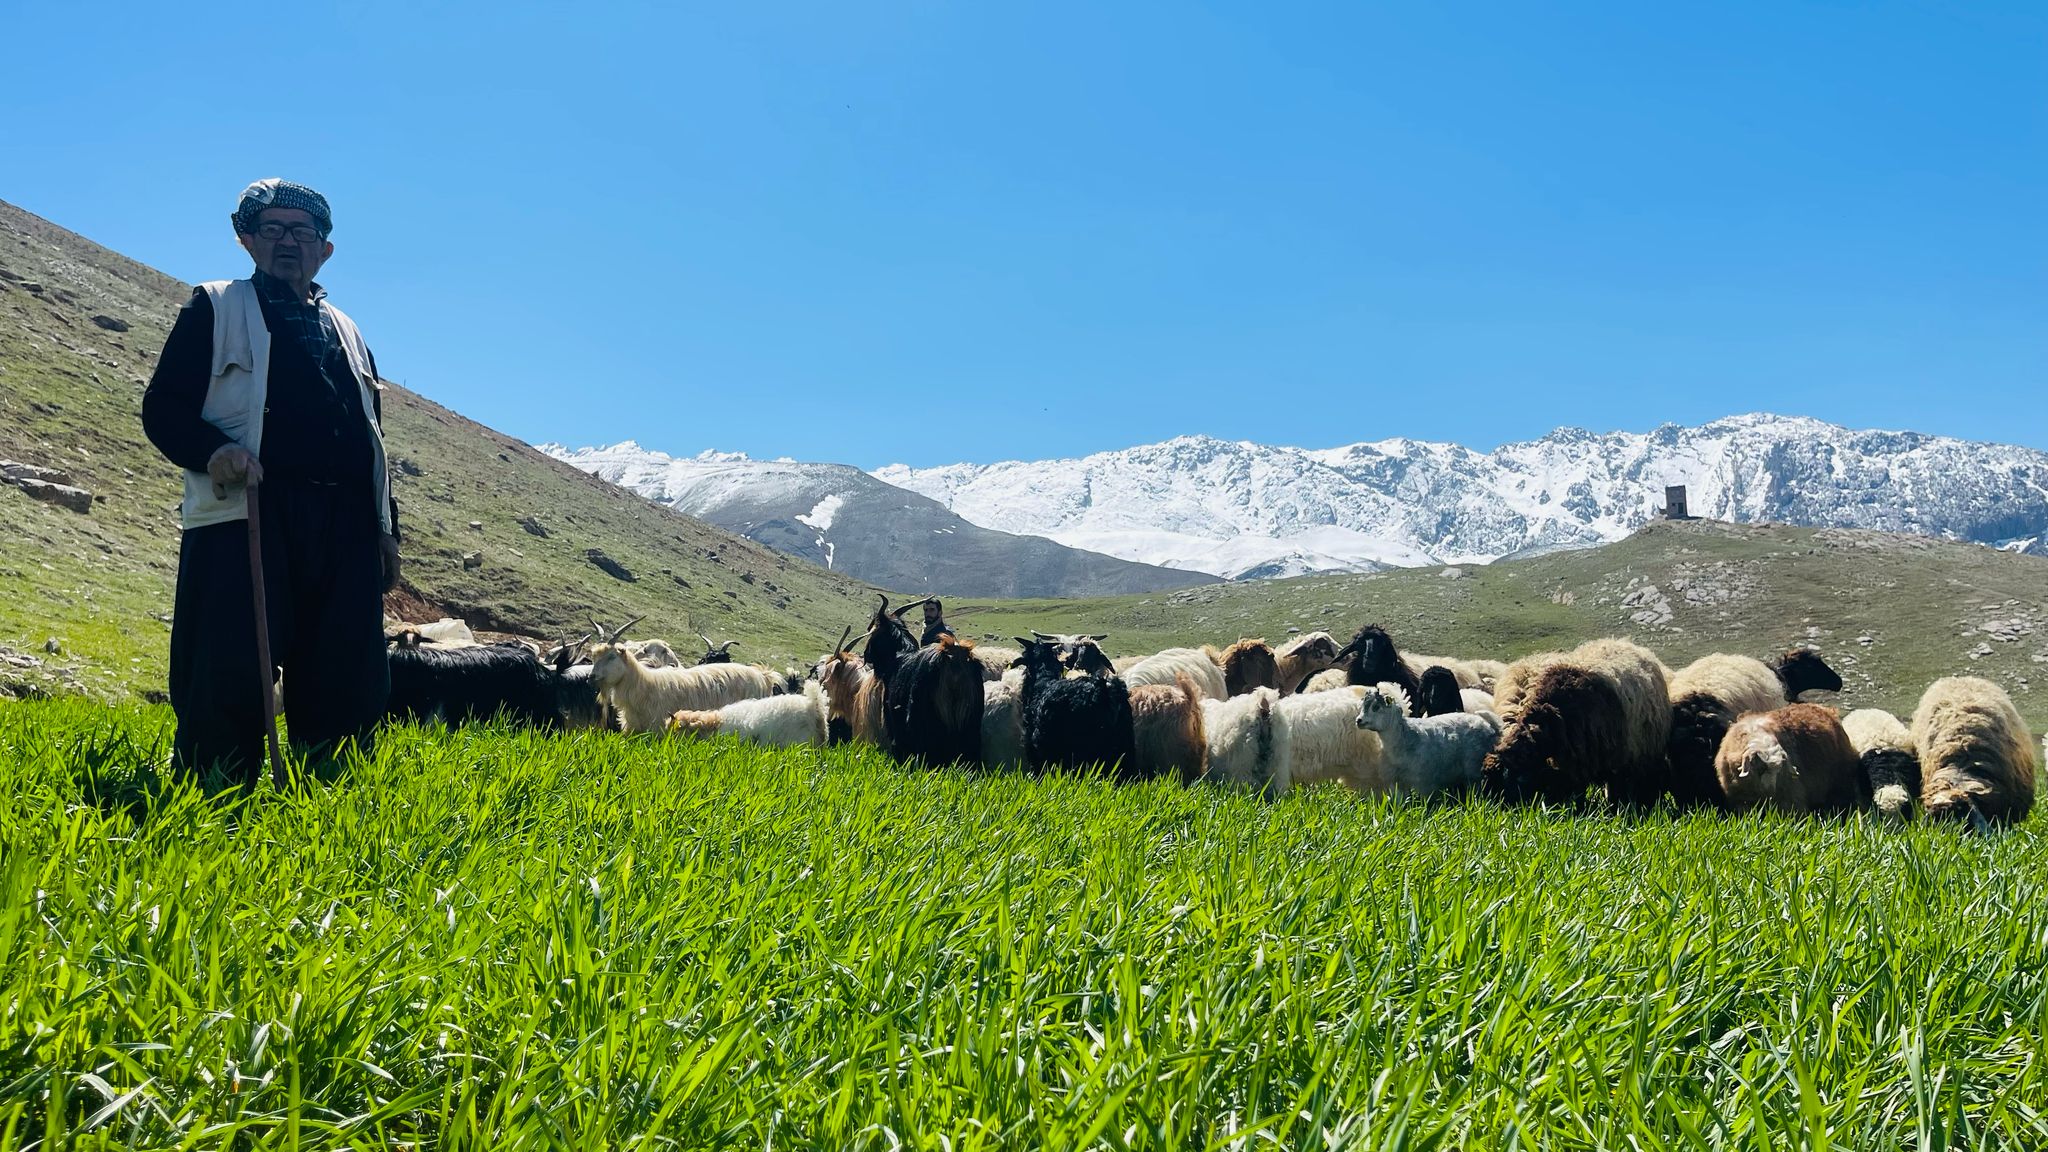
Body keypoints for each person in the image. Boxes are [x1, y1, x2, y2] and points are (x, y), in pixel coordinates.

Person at [142, 178, 400, 787]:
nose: (288, 242)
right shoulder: (214, 305)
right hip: (247, 511)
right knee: (229, 661)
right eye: (272, 229)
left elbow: (370, 436)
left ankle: (335, 790)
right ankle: (217, 791)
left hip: (345, 524)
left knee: (347, 668)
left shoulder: (349, 331)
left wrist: (386, 528)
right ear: (246, 239)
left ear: (325, 250)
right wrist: (215, 451)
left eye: (302, 232)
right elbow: (164, 408)